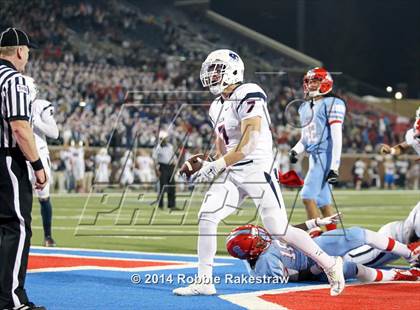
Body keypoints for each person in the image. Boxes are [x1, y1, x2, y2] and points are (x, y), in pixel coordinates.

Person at [173, 50, 345, 297]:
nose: (211, 75)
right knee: (207, 215)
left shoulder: (248, 92)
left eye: (217, 69)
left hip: (257, 167)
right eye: (210, 70)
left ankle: (330, 264)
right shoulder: (215, 106)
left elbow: (249, 142)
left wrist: (217, 165)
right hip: (233, 170)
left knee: (278, 228)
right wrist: (209, 162)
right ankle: (204, 281)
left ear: (233, 70)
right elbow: (225, 147)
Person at [0, 27, 46, 310]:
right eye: (27, 51)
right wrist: (37, 164)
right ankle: (13, 300)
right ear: (20, 51)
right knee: (15, 227)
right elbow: (19, 127)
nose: (27, 57)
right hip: (6, 160)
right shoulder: (14, 80)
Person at [227, 224, 419, 283]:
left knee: (354, 234)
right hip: (312, 267)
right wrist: (316, 269)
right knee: (351, 268)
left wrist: (313, 224)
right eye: (258, 239)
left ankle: (409, 253)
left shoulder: (261, 250)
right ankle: (395, 275)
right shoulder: (265, 266)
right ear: (252, 251)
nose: (263, 235)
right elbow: (294, 278)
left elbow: (287, 230)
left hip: (313, 246)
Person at [289, 68, 346, 235]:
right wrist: (296, 150)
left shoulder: (333, 103)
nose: (311, 84)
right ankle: (335, 238)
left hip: (325, 156)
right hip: (314, 157)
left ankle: (315, 237)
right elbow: (306, 138)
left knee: (307, 196)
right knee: (323, 202)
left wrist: (334, 167)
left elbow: (337, 137)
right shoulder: (304, 107)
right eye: (309, 81)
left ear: (325, 82)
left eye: (316, 81)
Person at [25, 76, 59, 247]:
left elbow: (54, 133)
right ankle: (21, 235)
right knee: (17, 198)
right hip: (17, 156)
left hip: (39, 155)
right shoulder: (9, 104)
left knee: (43, 197)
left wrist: (35, 121)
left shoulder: (40, 106)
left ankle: (48, 236)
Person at [344, 202, 420, 268]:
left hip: (402, 241)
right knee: (350, 262)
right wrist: (413, 258)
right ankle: (333, 257)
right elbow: (412, 236)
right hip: (392, 239)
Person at [152, 131, 177, 209]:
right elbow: (154, 160)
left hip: (170, 167)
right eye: (164, 138)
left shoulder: (170, 146)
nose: (165, 140)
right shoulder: (157, 148)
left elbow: (173, 157)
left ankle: (171, 205)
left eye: (166, 138)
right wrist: (156, 170)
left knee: (172, 186)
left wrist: (175, 167)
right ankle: (160, 204)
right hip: (162, 167)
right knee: (163, 186)